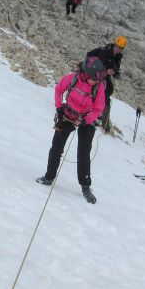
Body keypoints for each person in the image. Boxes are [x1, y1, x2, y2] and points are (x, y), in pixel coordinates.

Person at [36, 57, 107, 203]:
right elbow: (58, 90)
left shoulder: (98, 87)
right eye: (94, 79)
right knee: (56, 148)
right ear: (86, 74)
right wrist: (59, 108)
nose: (96, 81)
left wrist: (85, 120)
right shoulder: (73, 79)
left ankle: (85, 187)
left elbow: (98, 108)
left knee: (83, 154)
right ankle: (49, 177)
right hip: (68, 115)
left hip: (86, 120)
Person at [85, 35, 127, 130]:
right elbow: (96, 65)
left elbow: (116, 67)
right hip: (95, 73)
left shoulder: (118, 56)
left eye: (121, 48)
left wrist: (116, 73)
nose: (119, 49)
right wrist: (106, 71)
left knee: (107, 91)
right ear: (115, 44)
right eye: (118, 47)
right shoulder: (104, 53)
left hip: (105, 76)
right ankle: (97, 117)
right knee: (98, 93)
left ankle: (102, 117)